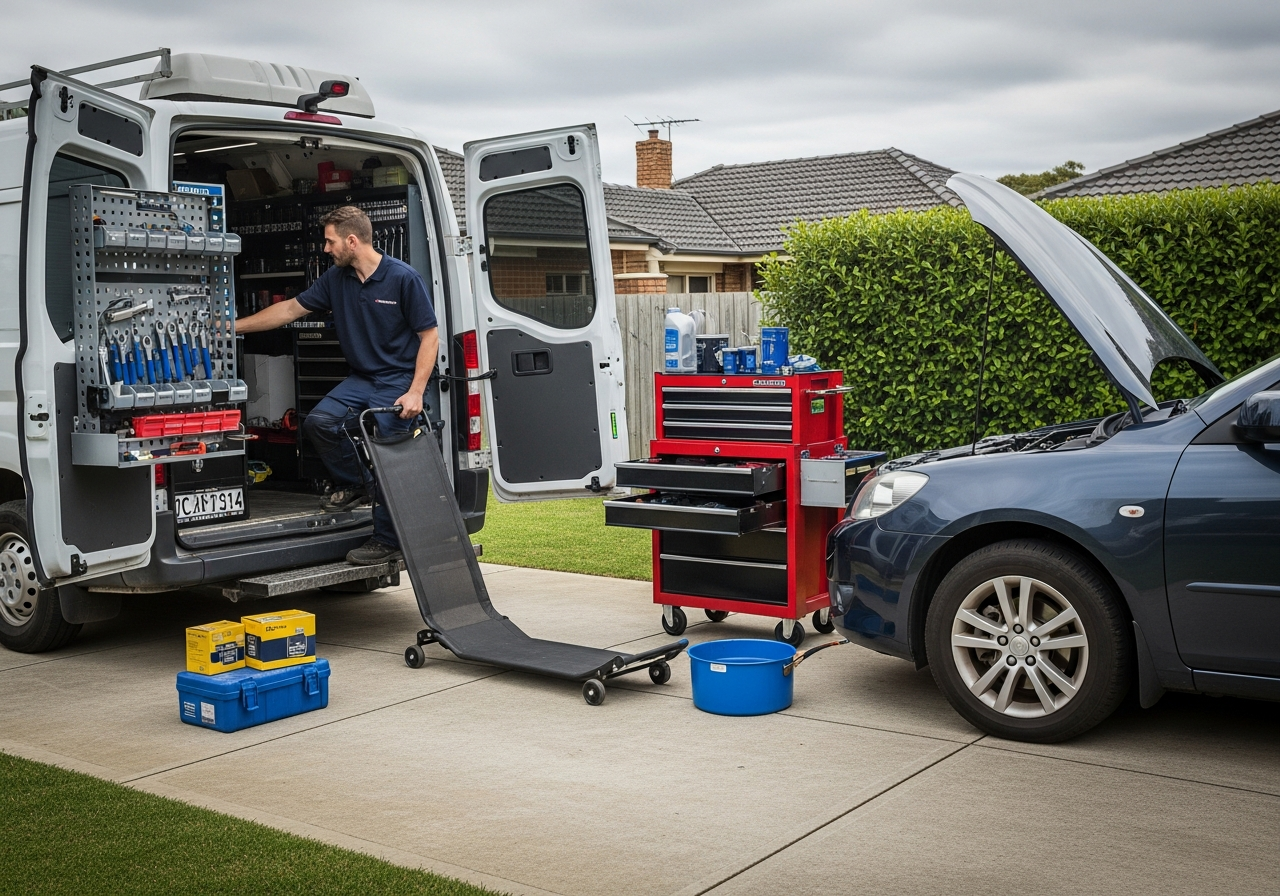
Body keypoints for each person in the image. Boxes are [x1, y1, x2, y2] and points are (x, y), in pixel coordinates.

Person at [236, 206, 438, 565]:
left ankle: (387, 540)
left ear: (351, 240)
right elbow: (288, 311)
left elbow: (430, 335)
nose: (326, 249)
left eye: (330, 242)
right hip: (363, 379)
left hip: (398, 380)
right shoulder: (335, 279)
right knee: (320, 422)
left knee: (386, 457)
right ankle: (356, 482)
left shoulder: (403, 278)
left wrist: (416, 391)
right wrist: (232, 328)